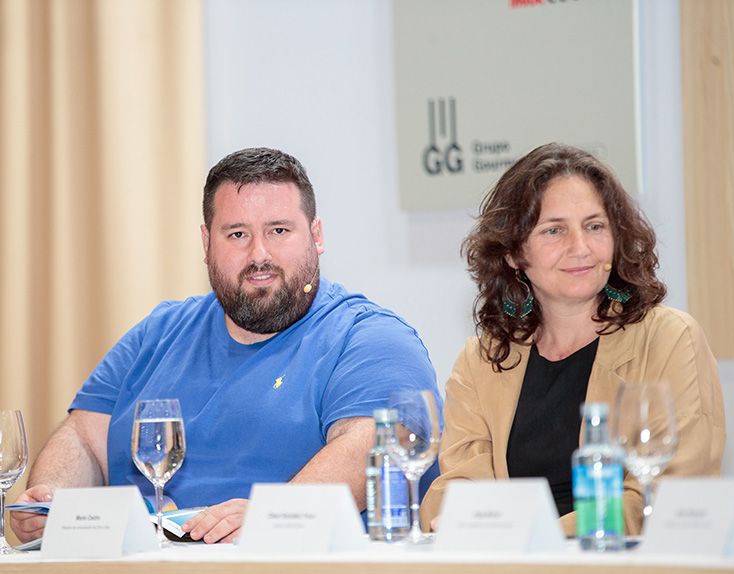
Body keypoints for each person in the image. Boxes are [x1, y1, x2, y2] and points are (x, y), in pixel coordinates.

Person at [12, 147, 439, 544]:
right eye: (237, 234)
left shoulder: (370, 338)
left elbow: (372, 442)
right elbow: (84, 437)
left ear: (316, 235)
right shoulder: (157, 332)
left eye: (279, 230)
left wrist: (271, 518)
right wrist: (53, 503)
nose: (259, 255)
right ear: (206, 244)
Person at [420, 143, 725, 537]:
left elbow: (665, 497)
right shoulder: (482, 359)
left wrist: (532, 534)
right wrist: (464, 516)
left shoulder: (670, 339)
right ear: (513, 253)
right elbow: (457, 484)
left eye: (595, 226)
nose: (580, 248)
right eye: (554, 230)